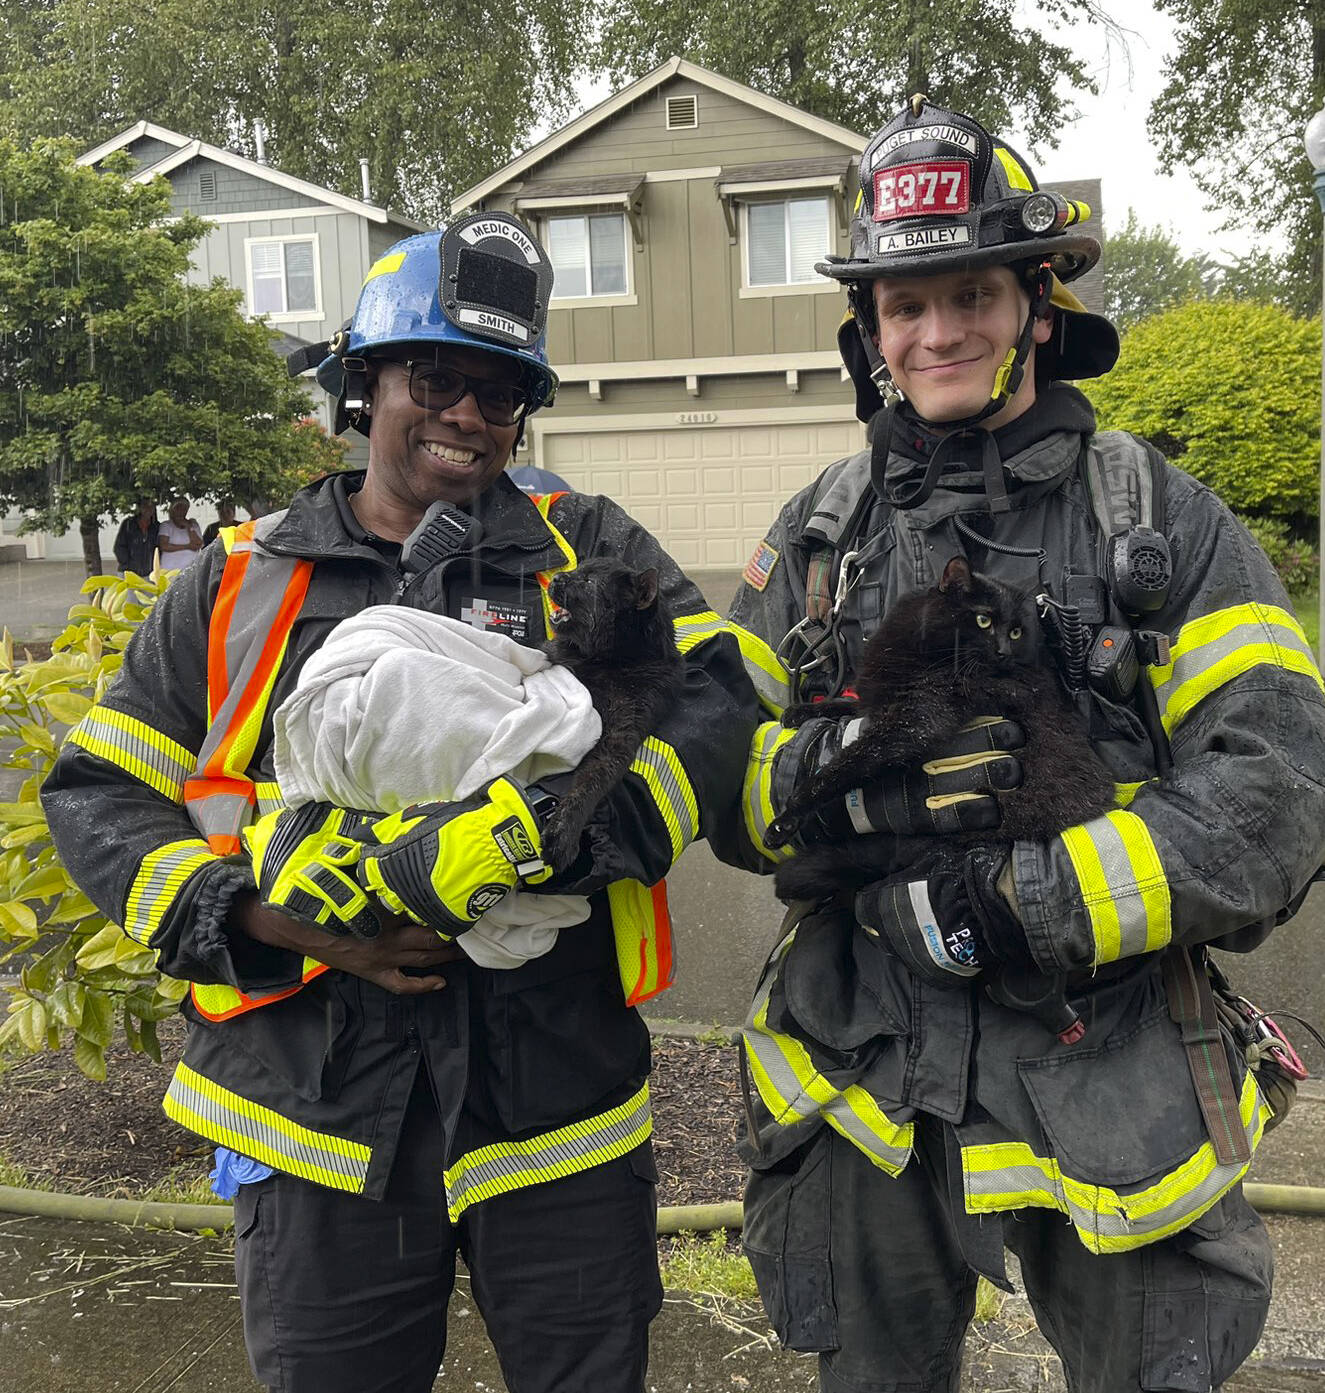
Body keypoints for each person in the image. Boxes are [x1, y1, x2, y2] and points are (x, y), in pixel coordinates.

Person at [41, 214, 757, 1393]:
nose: (468, 414)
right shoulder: (236, 582)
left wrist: (569, 836)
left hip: (557, 1105)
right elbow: (102, 790)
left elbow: (719, 698)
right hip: (319, 1115)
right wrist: (261, 911)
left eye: (500, 390)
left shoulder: (585, 550)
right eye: (436, 376)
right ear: (363, 382)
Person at [718, 95, 1325, 1393]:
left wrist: (1019, 903)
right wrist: (840, 792)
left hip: (1111, 1065)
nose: (936, 330)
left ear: (1036, 304)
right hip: (857, 1064)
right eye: (904, 303)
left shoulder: (1157, 521)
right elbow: (719, 764)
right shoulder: (821, 533)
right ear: (869, 330)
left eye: (971, 293)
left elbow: (1276, 784)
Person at [111, 498, 159, 575]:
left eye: (151, 506)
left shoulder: (156, 527)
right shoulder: (128, 524)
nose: (148, 509)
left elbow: (158, 548)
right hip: (128, 572)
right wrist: (128, 564)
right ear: (139, 508)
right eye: (145, 506)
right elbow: (119, 547)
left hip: (148, 573)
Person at [156, 496, 203, 571]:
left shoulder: (193, 525)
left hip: (190, 569)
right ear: (173, 510)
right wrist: (187, 546)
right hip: (170, 569)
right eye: (178, 508)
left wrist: (189, 527)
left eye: (184, 508)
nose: (181, 511)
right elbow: (164, 546)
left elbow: (198, 544)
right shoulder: (166, 525)